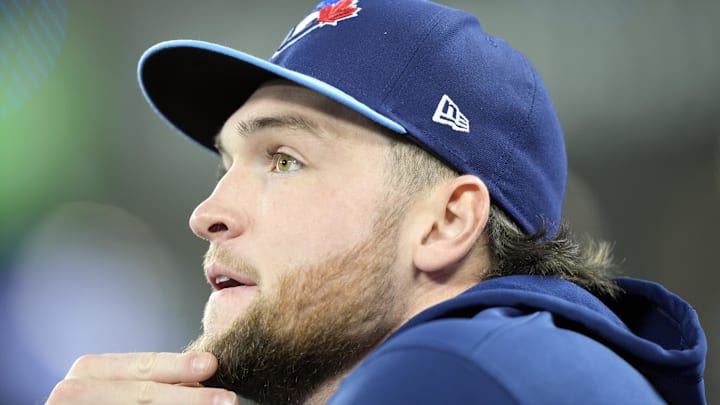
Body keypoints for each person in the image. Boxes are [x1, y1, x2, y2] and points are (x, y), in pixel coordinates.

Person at [47, 0, 707, 404]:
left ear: (446, 223)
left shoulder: (449, 370)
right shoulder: (519, 361)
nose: (208, 212)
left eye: (284, 159)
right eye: (226, 163)